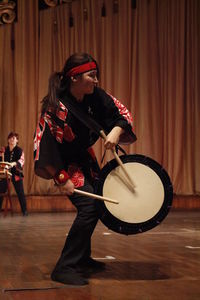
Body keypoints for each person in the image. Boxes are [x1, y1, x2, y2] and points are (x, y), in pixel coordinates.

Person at [34, 52, 136, 286]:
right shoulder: (54, 107)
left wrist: (116, 131)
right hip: (63, 163)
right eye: (92, 76)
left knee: (97, 204)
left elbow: (122, 113)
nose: (97, 80)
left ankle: (82, 259)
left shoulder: (95, 96)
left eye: (96, 75)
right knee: (89, 206)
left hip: (84, 158)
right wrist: (62, 178)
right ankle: (65, 266)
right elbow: (44, 146)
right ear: (74, 78)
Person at [0, 132, 28, 216]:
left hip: (16, 174)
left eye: (14, 138)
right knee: (1, 191)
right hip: (5, 174)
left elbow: (21, 161)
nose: (12, 140)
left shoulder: (19, 150)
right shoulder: (4, 150)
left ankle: (25, 211)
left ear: (17, 140)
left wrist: (13, 164)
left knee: (20, 192)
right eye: (10, 138)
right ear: (8, 140)